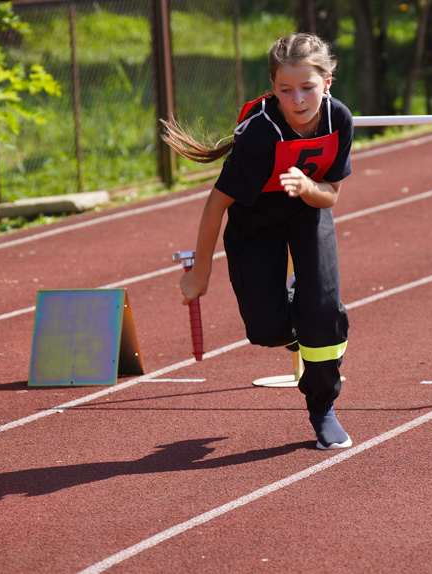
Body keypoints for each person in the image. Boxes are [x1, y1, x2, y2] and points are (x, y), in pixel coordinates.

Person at [162, 33, 353, 450]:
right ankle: (296, 319)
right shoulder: (262, 133)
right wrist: (200, 274)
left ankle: (322, 408)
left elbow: (331, 195)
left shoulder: (340, 120)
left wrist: (306, 187)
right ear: (273, 88)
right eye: (286, 90)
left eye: (308, 87)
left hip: (307, 213)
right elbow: (216, 204)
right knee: (265, 329)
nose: (298, 99)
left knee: (321, 310)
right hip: (255, 222)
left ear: (328, 81)